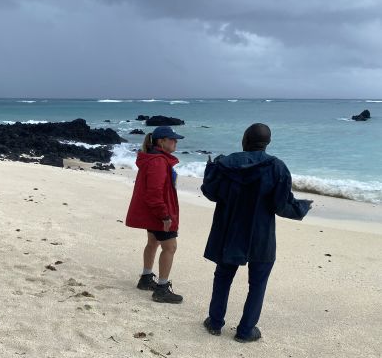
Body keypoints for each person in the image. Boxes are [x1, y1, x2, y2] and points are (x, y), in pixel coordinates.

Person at [201, 123, 313, 342]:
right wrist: (301, 207)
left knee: (223, 277)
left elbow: (211, 193)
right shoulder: (277, 167)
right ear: (267, 143)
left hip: (229, 231)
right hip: (261, 235)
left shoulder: (225, 164)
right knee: (258, 282)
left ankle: (215, 323)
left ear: (245, 140)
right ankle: (246, 331)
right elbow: (280, 205)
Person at [125, 126, 185, 304]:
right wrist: (165, 216)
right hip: (158, 212)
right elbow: (154, 193)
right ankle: (162, 289)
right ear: (161, 141)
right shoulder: (158, 161)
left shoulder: (153, 158)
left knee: (153, 242)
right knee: (170, 247)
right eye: (172, 139)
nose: (175, 142)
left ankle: (145, 278)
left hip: (152, 212)